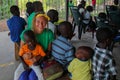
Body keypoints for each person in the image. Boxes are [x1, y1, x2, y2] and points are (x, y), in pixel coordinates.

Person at [14, 13, 54, 80]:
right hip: (26, 61)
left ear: (47, 23)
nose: (41, 25)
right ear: (34, 21)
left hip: (39, 62)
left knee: (32, 77)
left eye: (43, 22)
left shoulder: (49, 33)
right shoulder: (26, 33)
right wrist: (25, 57)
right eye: (38, 21)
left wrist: (38, 59)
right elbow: (21, 51)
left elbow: (48, 51)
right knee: (22, 77)